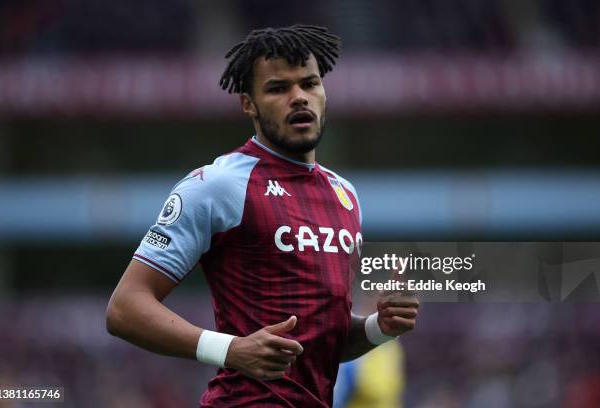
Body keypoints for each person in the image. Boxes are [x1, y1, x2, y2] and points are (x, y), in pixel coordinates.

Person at [106, 24, 419, 407]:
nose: (299, 97)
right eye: (277, 88)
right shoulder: (219, 185)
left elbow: (319, 344)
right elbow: (124, 308)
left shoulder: (345, 196)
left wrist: (377, 329)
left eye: (310, 83)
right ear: (248, 104)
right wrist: (229, 349)